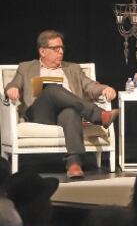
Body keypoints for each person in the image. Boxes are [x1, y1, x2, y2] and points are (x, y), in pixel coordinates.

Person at [3, 30, 118, 179]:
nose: (61, 52)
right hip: (40, 113)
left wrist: (105, 89)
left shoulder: (73, 69)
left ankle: (74, 164)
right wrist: (11, 89)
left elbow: (90, 86)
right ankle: (99, 115)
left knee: (70, 112)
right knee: (52, 88)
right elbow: (13, 84)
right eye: (55, 49)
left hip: (65, 114)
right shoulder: (26, 67)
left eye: (62, 48)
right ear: (42, 51)